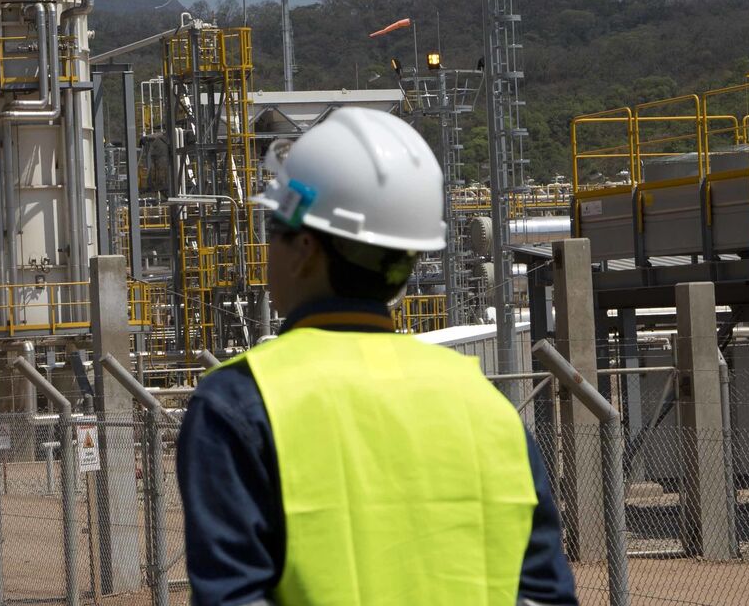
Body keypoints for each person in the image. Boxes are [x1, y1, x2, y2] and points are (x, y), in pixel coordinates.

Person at [176, 108, 577, 605]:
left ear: (303, 248)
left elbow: (232, 596)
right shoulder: (483, 402)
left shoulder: (240, 401)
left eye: (272, 231)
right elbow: (543, 594)